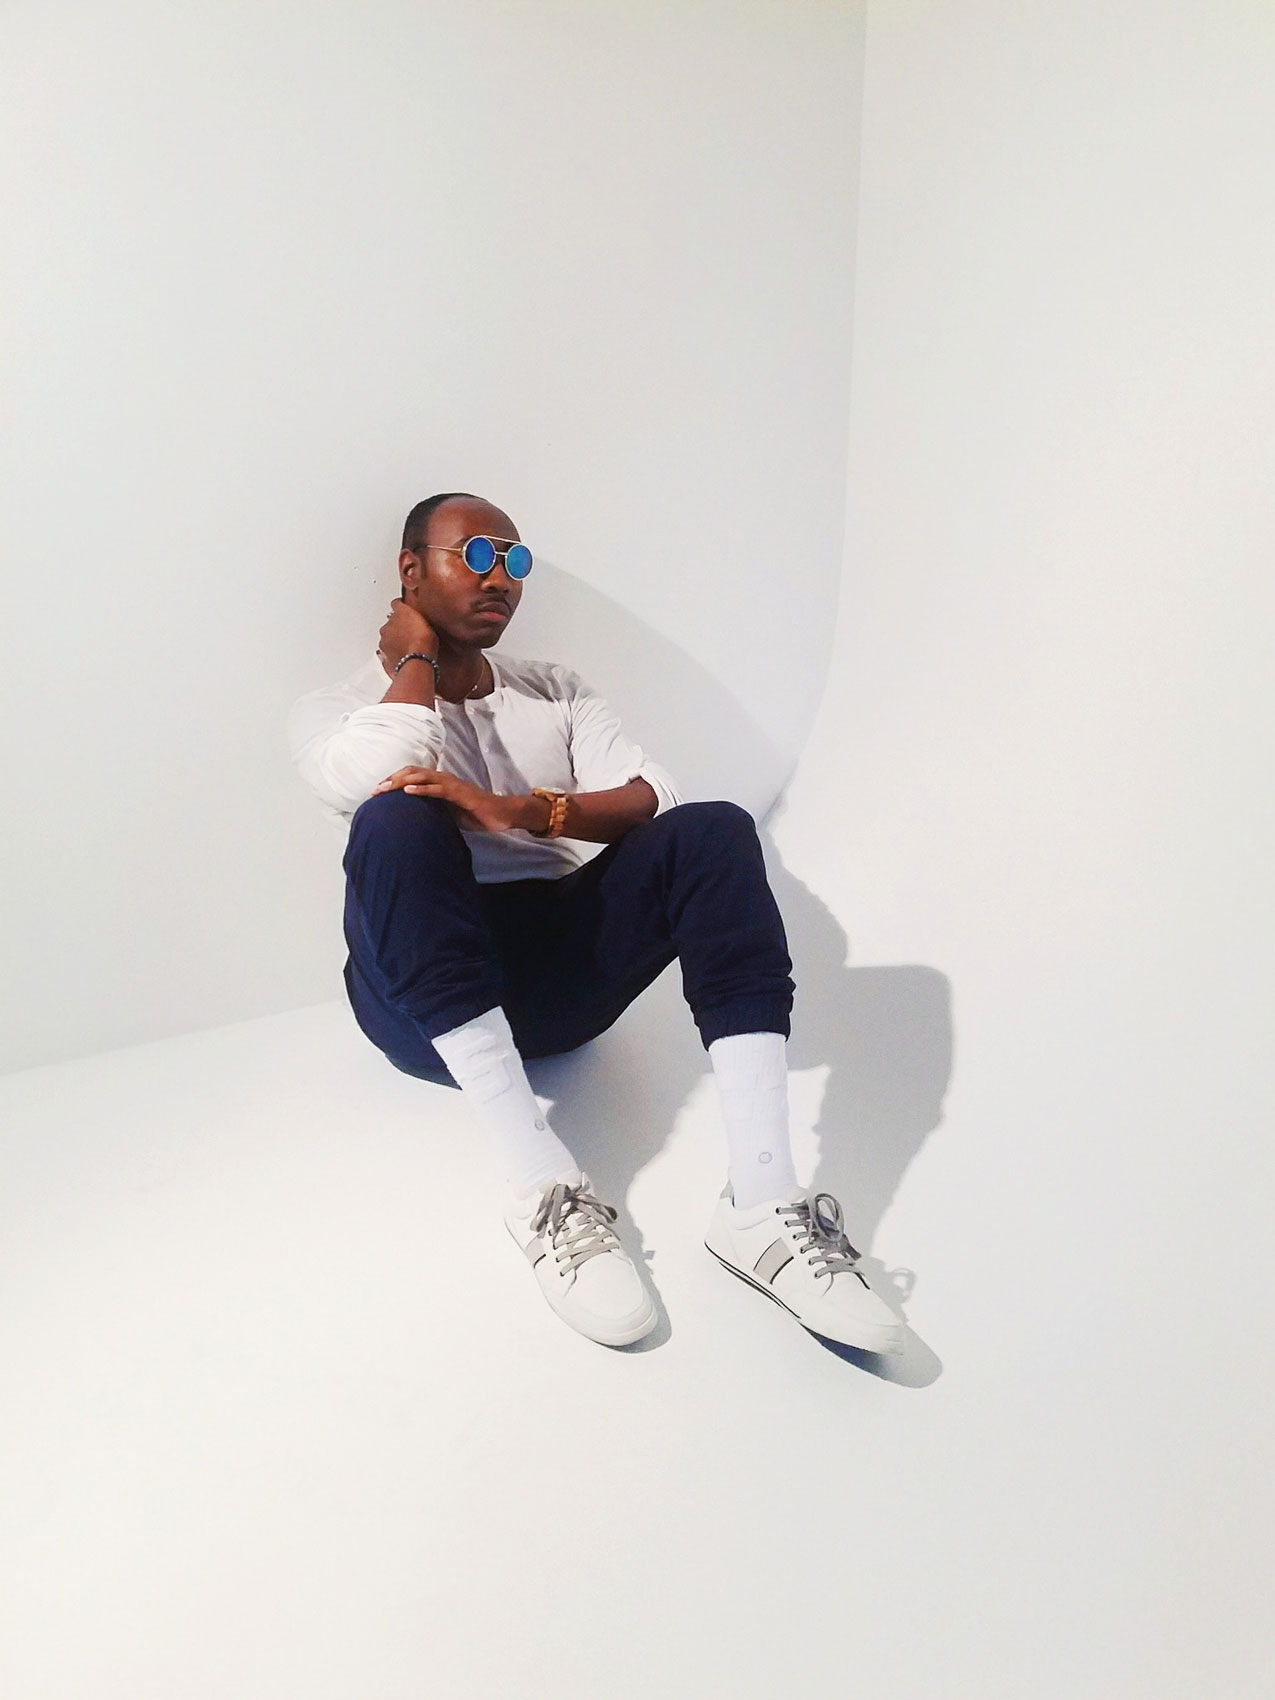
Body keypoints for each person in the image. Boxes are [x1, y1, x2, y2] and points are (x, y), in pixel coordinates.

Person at [286, 491, 904, 1354]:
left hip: (554, 988)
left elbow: (654, 796)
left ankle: (761, 1205)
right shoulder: (334, 712)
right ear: (410, 571)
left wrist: (515, 811)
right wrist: (415, 658)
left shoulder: (553, 690)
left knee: (715, 831)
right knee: (394, 820)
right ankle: (544, 1187)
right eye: (476, 555)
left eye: (515, 561)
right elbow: (377, 774)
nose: (500, 578)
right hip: (417, 1009)